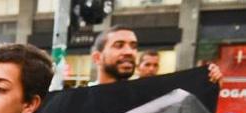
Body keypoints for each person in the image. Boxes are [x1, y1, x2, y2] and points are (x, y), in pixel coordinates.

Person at [93, 27, 222, 84]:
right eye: (119, 45)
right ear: (97, 58)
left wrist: (210, 83)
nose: (129, 52)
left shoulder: (148, 98)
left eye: (133, 46)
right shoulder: (78, 101)